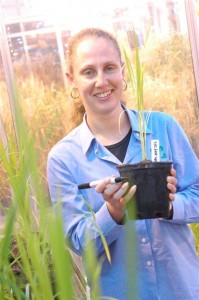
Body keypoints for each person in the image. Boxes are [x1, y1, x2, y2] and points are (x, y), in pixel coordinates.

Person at [47, 28, 199, 300]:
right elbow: (79, 241)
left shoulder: (163, 127)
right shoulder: (64, 158)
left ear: (123, 71)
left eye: (109, 68)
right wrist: (114, 212)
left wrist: (168, 204)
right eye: (88, 72)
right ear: (71, 79)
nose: (102, 81)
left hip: (183, 289)